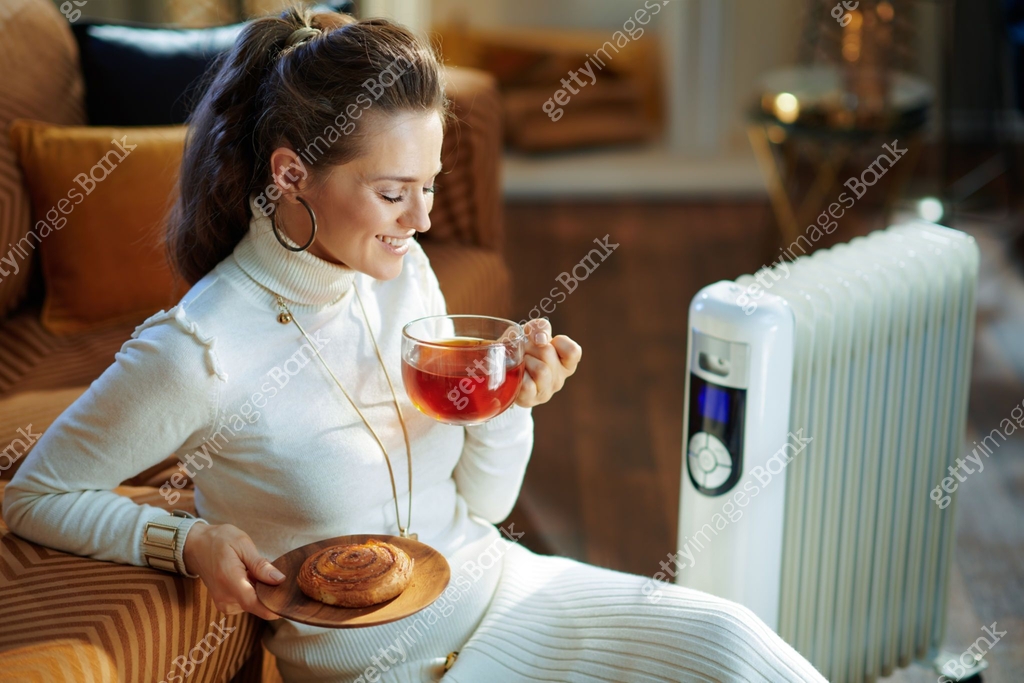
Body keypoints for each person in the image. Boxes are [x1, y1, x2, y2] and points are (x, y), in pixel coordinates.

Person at [2, 7, 827, 682]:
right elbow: (32, 497)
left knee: (734, 644)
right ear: (291, 175)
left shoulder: (406, 278)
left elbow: (489, 508)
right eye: (395, 192)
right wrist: (187, 541)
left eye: (429, 185)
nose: (424, 218)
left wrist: (508, 405)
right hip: (379, 665)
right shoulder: (199, 349)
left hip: (505, 587)